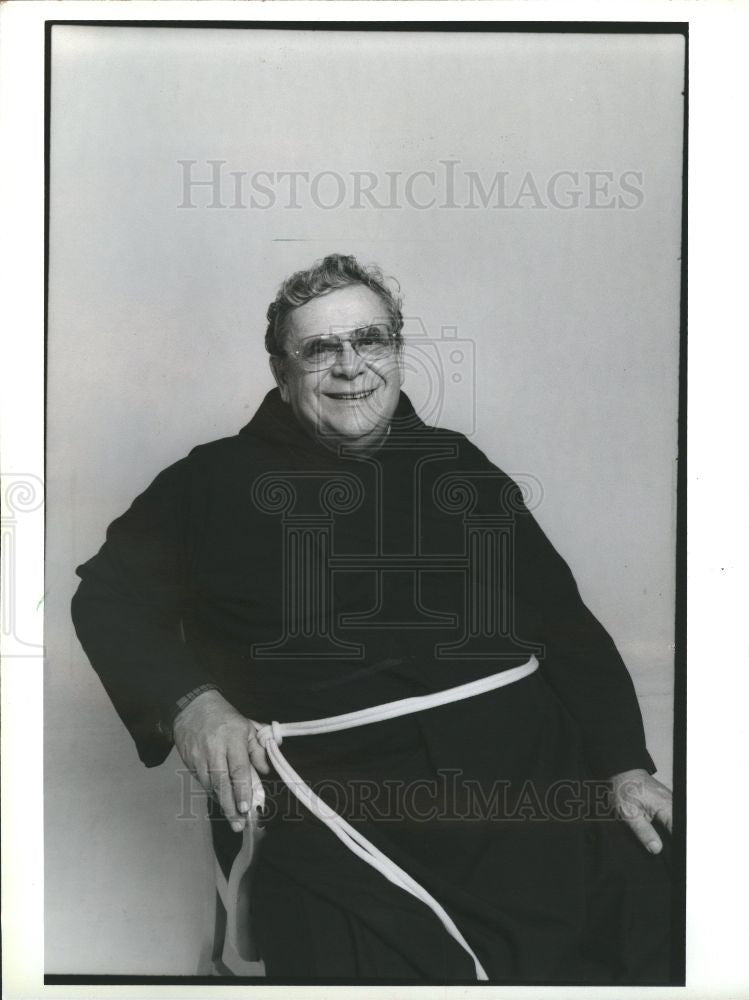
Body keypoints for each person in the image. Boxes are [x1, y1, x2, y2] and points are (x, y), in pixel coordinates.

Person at [72, 253, 674, 983]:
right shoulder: (206, 481)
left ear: (396, 349)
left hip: (530, 791)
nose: (350, 366)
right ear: (279, 370)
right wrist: (191, 704)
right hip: (341, 808)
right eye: (320, 348)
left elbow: (565, 626)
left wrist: (623, 763)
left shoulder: (457, 465)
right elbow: (107, 600)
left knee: (653, 923)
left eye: (370, 340)